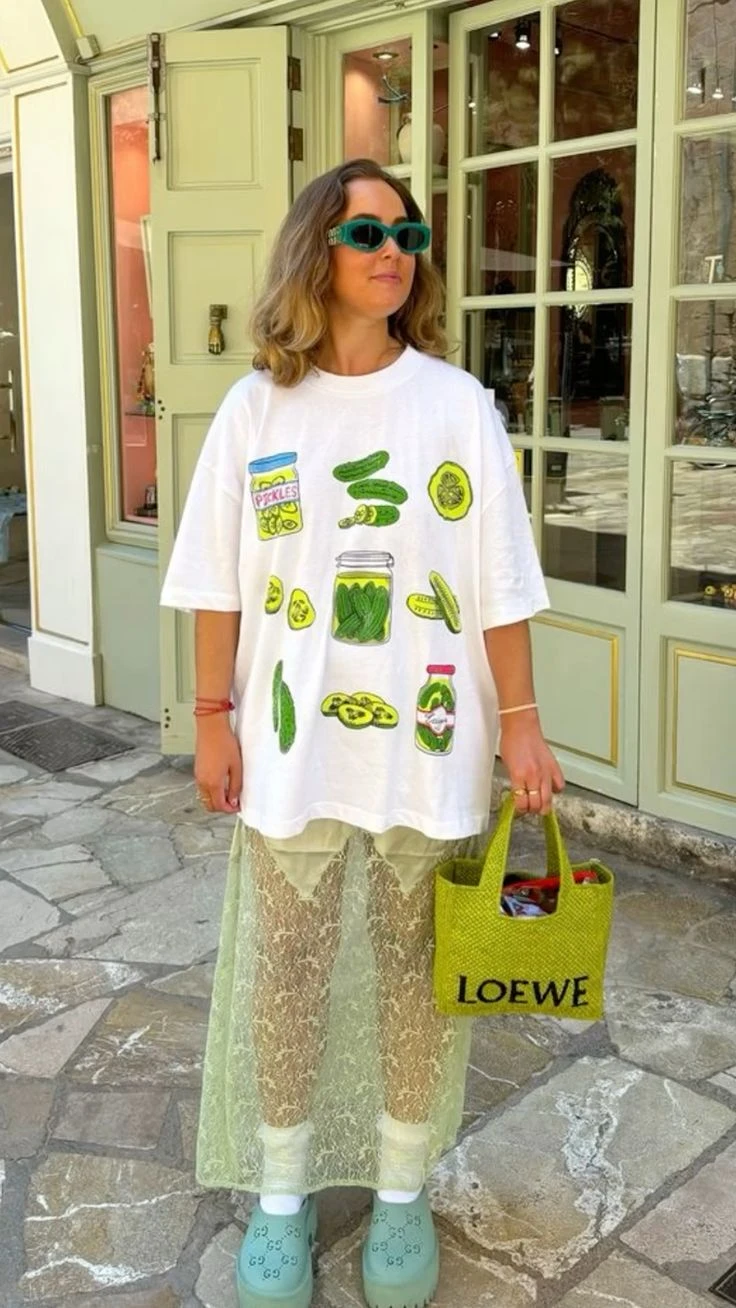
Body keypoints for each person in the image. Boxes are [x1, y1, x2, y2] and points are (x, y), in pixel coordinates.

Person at [160, 158, 564, 1308]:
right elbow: (216, 586)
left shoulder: (457, 406)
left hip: (427, 748)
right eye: (367, 232)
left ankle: (399, 1189)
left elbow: (497, 582)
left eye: (408, 234)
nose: (393, 251)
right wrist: (211, 719)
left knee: (412, 974)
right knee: (287, 968)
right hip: (291, 750)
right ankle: (281, 1195)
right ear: (315, 251)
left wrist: (522, 725)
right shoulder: (256, 411)